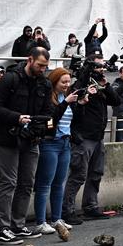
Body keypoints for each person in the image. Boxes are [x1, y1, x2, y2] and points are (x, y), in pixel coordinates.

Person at [0, 47, 54, 244]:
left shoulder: (44, 83)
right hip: (8, 137)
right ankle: (1, 228)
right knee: (9, 182)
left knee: (26, 183)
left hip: (31, 139)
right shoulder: (10, 79)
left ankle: (18, 224)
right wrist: (17, 118)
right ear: (29, 59)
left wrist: (42, 125)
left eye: (45, 66)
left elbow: (48, 110)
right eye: (40, 65)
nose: (42, 69)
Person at [64, 59, 123, 223]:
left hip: (98, 137)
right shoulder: (80, 85)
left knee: (96, 173)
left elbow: (117, 101)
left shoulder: (101, 86)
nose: (101, 70)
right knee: (78, 175)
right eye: (98, 68)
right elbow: (75, 103)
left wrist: (106, 85)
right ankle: (67, 210)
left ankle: (90, 206)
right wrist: (86, 81)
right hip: (83, 137)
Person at [34, 67, 78, 235]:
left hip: (65, 142)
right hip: (50, 143)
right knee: (45, 184)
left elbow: (71, 119)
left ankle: (57, 218)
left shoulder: (64, 97)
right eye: (63, 82)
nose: (67, 85)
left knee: (59, 183)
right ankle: (40, 221)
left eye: (69, 81)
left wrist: (78, 104)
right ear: (54, 81)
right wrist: (66, 102)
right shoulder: (49, 98)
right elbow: (52, 119)